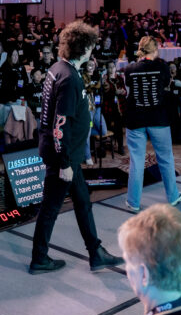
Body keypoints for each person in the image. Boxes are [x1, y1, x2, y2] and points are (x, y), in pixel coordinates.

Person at [30, 21, 123, 275]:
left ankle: (96, 252)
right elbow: (59, 125)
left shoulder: (58, 68)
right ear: (82, 48)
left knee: (83, 201)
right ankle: (39, 258)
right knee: (50, 207)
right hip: (64, 156)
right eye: (91, 47)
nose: (93, 52)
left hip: (66, 154)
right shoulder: (70, 78)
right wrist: (64, 164)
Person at [122, 36, 181, 212]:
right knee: (166, 158)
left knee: (136, 161)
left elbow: (128, 93)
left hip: (136, 119)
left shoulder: (129, 69)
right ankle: (172, 197)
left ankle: (133, 202)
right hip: (158, 119)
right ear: (155, 50)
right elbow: (166, 87)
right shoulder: (162, 67)